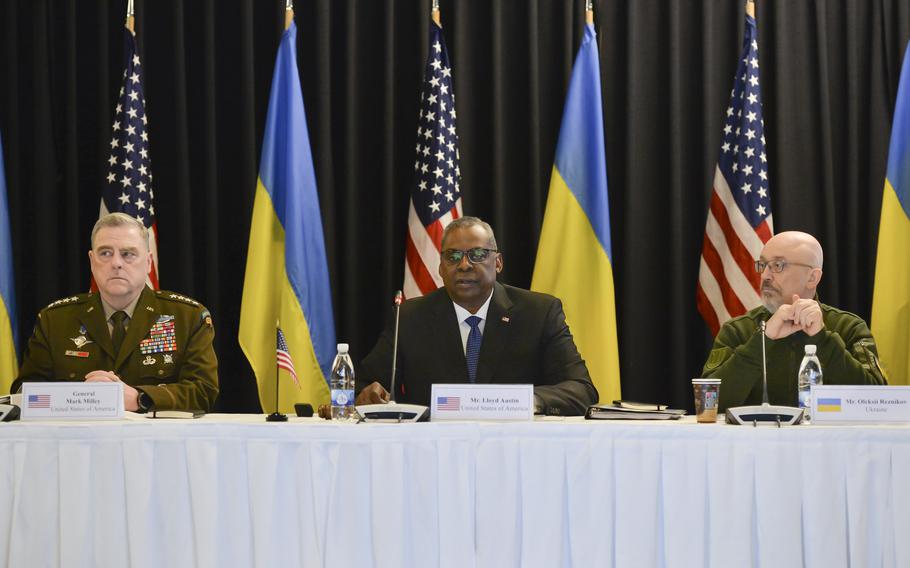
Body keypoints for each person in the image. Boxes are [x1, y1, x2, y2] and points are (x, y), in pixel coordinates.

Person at [356, 216, 597, 416]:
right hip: (434, 452)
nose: (464, 265)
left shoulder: (539, 312)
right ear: (440, 267)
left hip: (516, 449)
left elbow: (582, 390)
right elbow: (363, 386)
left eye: (478, 254)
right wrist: (369, 393)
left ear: (498, 262)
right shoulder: (409, 317)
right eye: (452, 256)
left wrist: (525, 401)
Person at [12, 213, 218, 412]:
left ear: (148, 263)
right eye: (105, 253)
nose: (116, 263)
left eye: (128, 254)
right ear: (92, 261)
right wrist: (80, 398)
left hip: (156, 444)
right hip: (78, 444)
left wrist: (140, 398)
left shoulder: (187, 317)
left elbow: (203, 392)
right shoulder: (55, 320)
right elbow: (24, 394)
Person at [702, 231, 886, 411]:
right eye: (763, 265)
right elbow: (708, 402)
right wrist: (762, 341)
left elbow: (877, 402)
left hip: (829, 441)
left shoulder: (848, 327)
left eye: (778, 265)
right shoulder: (738, 330)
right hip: (756, 441)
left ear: (812, 278)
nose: (765, 275)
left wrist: (823, 340)